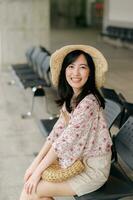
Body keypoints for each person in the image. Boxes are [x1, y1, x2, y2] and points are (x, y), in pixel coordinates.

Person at [19, 45, 112, 200]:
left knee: (31, 191)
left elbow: (64, 141)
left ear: (90, 73)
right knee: (37, 192)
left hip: (92, 171)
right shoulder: (73, 97)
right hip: (78, 161)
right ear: (64, 71)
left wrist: (37, 172)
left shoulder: (89, 102)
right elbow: (57, 132)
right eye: (71, 66)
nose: (75, 73)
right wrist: (35, 164)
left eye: (82, 67)